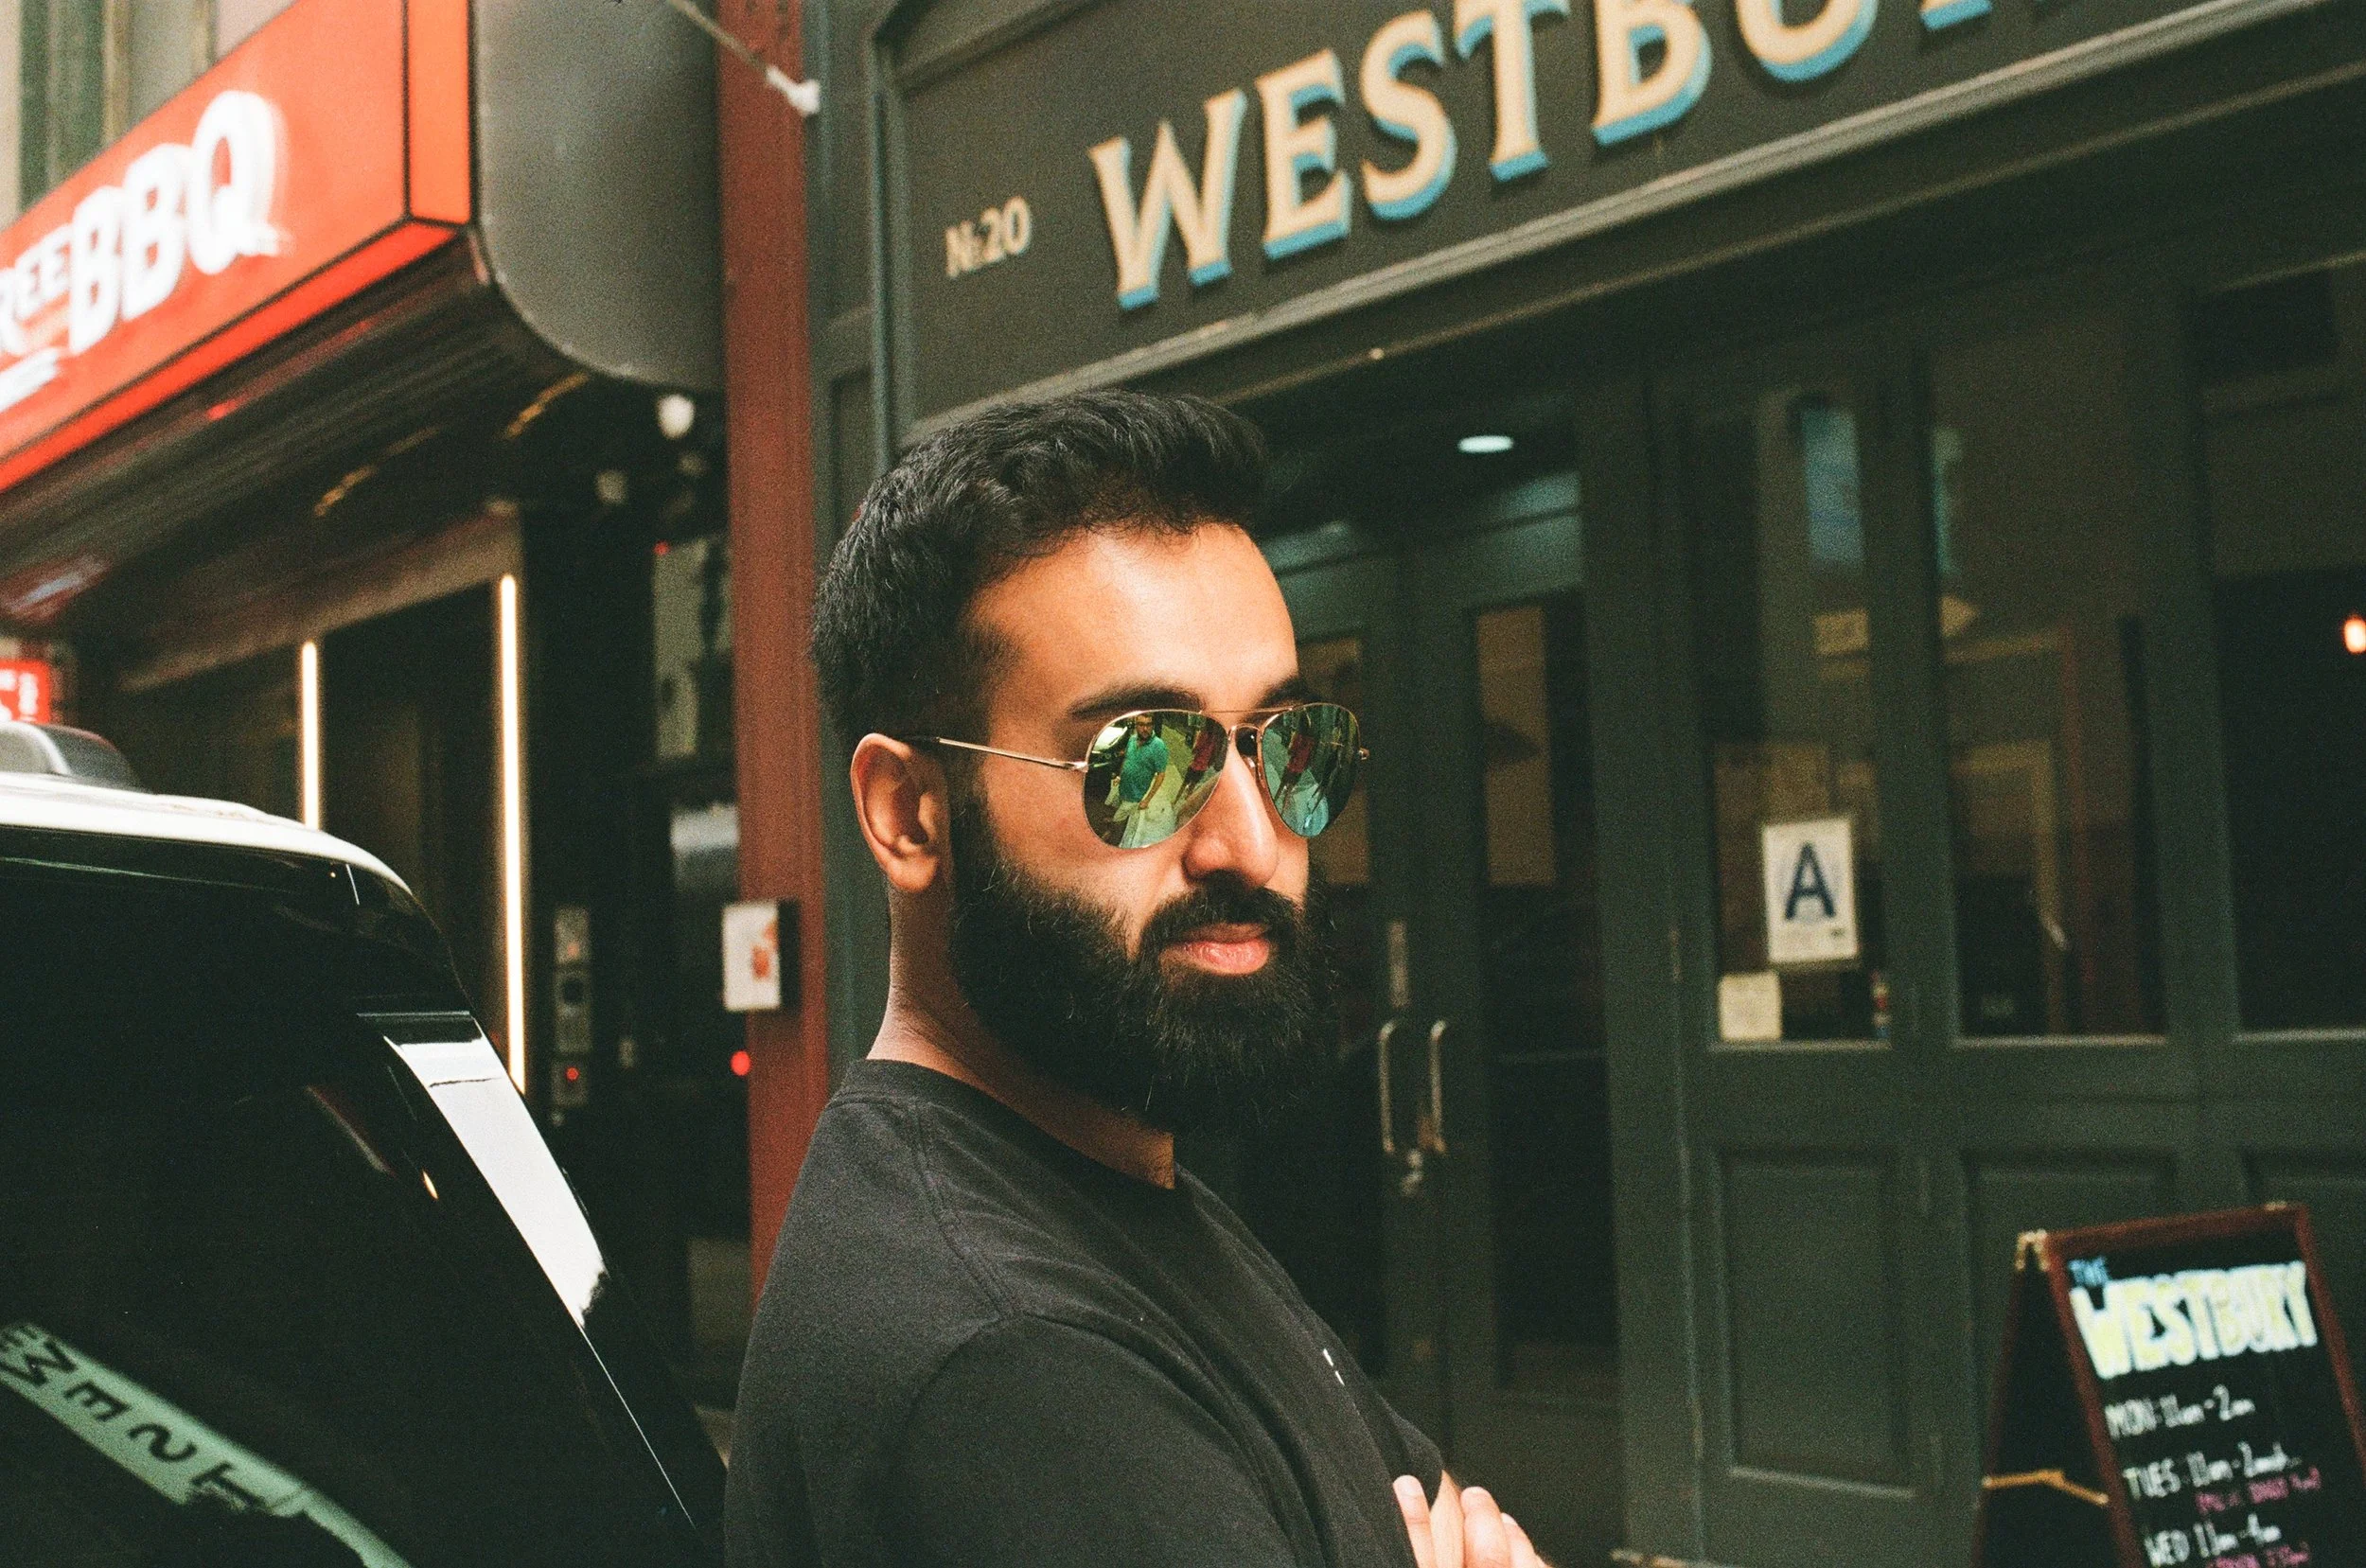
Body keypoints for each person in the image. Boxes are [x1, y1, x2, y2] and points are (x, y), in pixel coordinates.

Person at [725, 390, 1547, 1568]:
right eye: (1145, 762)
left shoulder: (1112, 1179)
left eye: (1287, 748)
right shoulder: (1010, 1361)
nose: (1250, 844)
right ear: (909, 814)